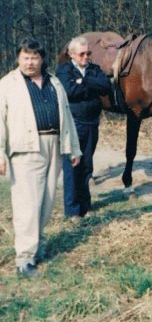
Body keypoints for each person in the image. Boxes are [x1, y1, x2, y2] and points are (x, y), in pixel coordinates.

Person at [0, 38, 81, 278]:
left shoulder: (53, 82)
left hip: (53, 144)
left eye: (34, 57)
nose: (30, 62)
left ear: (42, 59)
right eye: (25, 57)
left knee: (46, 200)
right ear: (18, 58)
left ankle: (38, 247)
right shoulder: (7, 84)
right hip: (25, 148)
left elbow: (66, 115)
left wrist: (73, 148)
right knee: (27, 204)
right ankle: (24, 259)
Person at [56, 36, 111, 223]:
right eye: (82, 54)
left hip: (91, 123)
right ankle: (72, 210)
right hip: (72, 124)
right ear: (71, 54)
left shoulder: (94, 69)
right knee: (72, 166)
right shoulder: (64, 71)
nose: (86, 57)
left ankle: (86, 206)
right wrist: (90, 85)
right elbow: (69, 91)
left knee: (87, 165)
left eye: (88, 53)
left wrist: (83, 82)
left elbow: (106, 87)